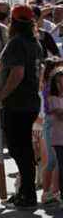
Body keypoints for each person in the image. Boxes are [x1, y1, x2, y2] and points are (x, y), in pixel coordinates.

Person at [0, 4, 44, 209]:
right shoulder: (33, 42)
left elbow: (18, 73)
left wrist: (0, 94)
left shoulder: (17, 43)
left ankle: (27, 195)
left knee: (18, 149)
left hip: (18, 103)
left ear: (13, 21)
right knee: (23, 150)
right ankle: (25, 192)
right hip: (28, 102)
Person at [47, 68, 63, 204]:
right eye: (58, 82)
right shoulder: (53, 99)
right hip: (59, 139)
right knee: (61, 166)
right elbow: (60, 115)